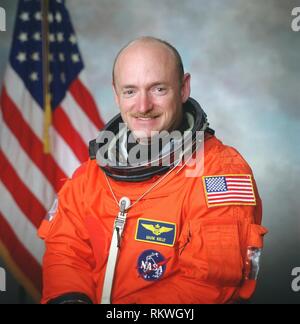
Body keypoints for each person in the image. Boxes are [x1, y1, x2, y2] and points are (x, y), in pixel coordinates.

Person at [38, 36, 268, 304]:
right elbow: (66, 250)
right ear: (116, 95)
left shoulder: (219, 172)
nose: (143, 106)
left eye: (158, 89)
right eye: (130, 91)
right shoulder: (91, 175)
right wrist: (69, 299)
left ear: (183, 89)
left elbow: (208, 284)